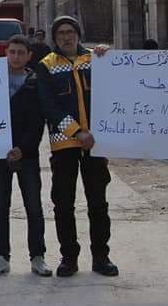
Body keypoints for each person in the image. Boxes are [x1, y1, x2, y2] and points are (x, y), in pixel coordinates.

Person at [35, 15, 118, 277]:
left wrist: (109, 55)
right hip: (65, 146)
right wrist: (76, 131)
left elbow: (120, 85)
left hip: (95, 144)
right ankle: (68, 257)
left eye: (70, 32)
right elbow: (48, 105)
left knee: (98, 203)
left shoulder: (96, 59)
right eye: (60, 34)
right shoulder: (46, 65)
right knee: (63, 203)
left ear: (78, 34)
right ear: (54, 38)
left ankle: (101, 256)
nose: (66, 37)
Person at [0, 35, 51, 278]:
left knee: (33, 207)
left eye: (21, 53)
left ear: (29, 56)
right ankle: (1, 256)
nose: (15, 57)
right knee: (0, 207)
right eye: (11, 52)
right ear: (6, 53)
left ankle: (37, 256)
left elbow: (38, 122)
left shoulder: (35, 82)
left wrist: (23, 148)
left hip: (28, 155)